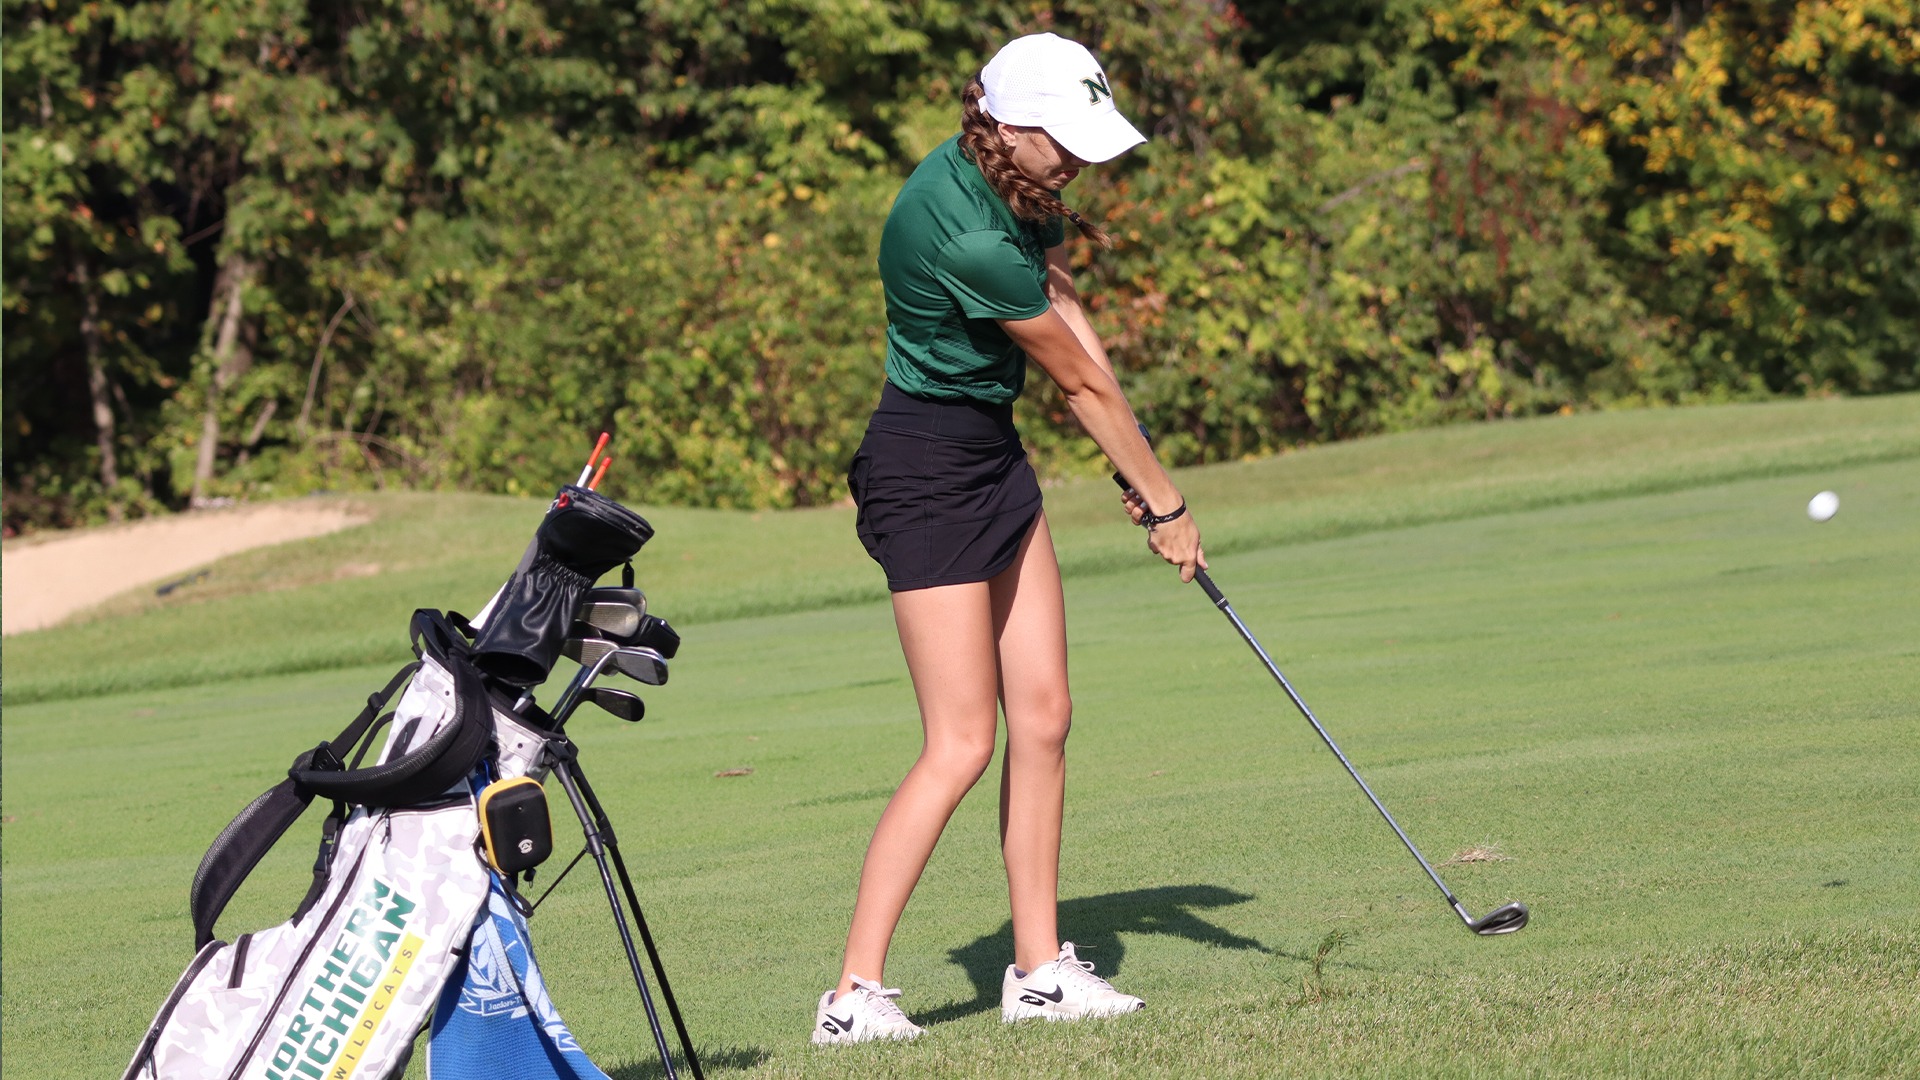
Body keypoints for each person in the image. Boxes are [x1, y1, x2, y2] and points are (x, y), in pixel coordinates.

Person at [813, 32, 1205, 1046]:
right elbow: (1073, 382)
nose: (1077, 159)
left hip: (988, 456)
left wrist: (1134, 459)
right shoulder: (965, 232)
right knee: (962, 741)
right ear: (1005, 122)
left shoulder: (1007, 184)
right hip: (925, 472)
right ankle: (853, 997)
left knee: (1044, 714)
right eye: (1064, 139)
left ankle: (1038, 973)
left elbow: (1070, 315)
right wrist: (1163, 503)